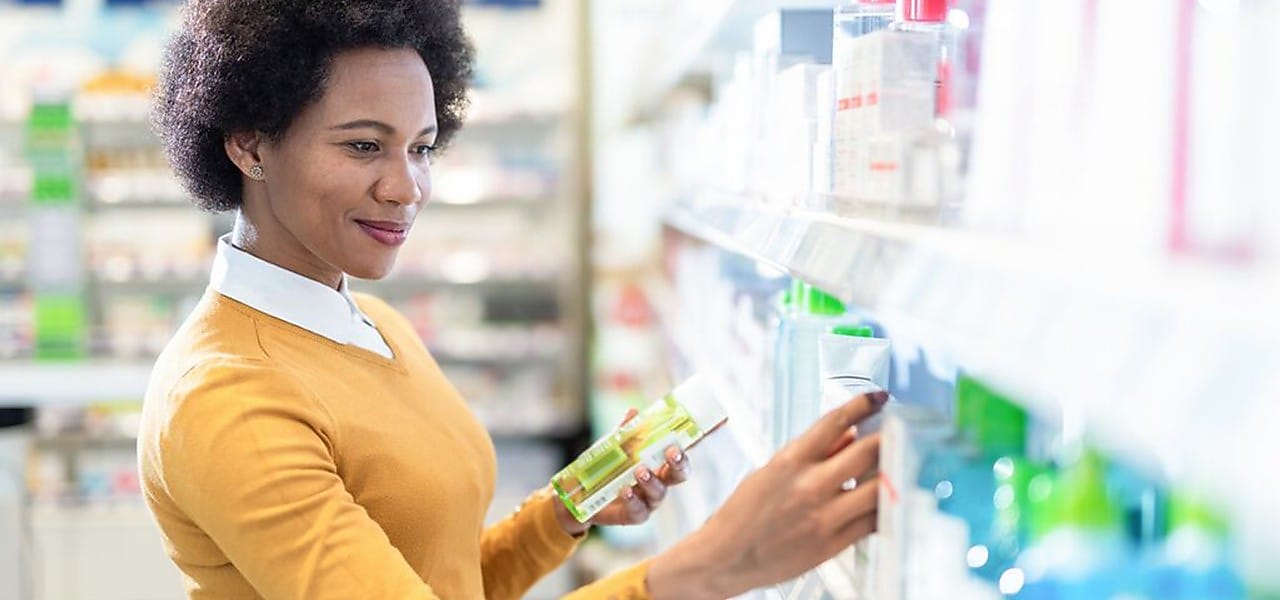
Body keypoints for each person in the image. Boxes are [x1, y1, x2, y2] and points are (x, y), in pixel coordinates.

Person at [136, 0, 883, 598]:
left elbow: (446, 579)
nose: (405, 188)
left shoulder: (371, 322)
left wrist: (572, 506)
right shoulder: (228, 397)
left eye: (421, 147)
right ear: (250, 145)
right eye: (363, 145)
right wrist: (705, 570)